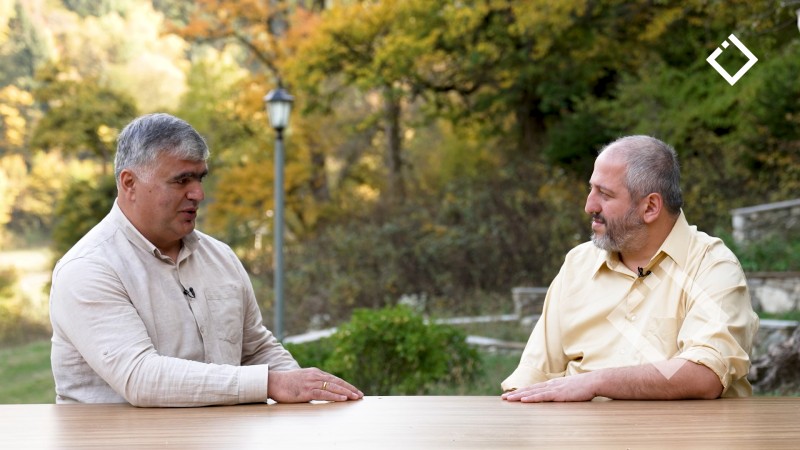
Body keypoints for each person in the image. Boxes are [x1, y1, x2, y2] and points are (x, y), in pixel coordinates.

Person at [50, 113, 363, 407]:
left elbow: (257, 350)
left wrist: (309, 396)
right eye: (181, 180)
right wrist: (268, 383)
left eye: (200, 178)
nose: (198, 194)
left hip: (223, 437)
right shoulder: (87, 268)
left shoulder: (220, 257)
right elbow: (139, 376)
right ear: (129, 183)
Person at [501, 135, 758, 402]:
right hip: (580, 429)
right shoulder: (578, 264)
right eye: (591, 189)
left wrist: (596, 382)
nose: (589, 206)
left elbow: (706, 375)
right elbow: (533, 376)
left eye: (605, 194)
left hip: (682, 430)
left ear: (650, 207)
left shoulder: (712, 266)